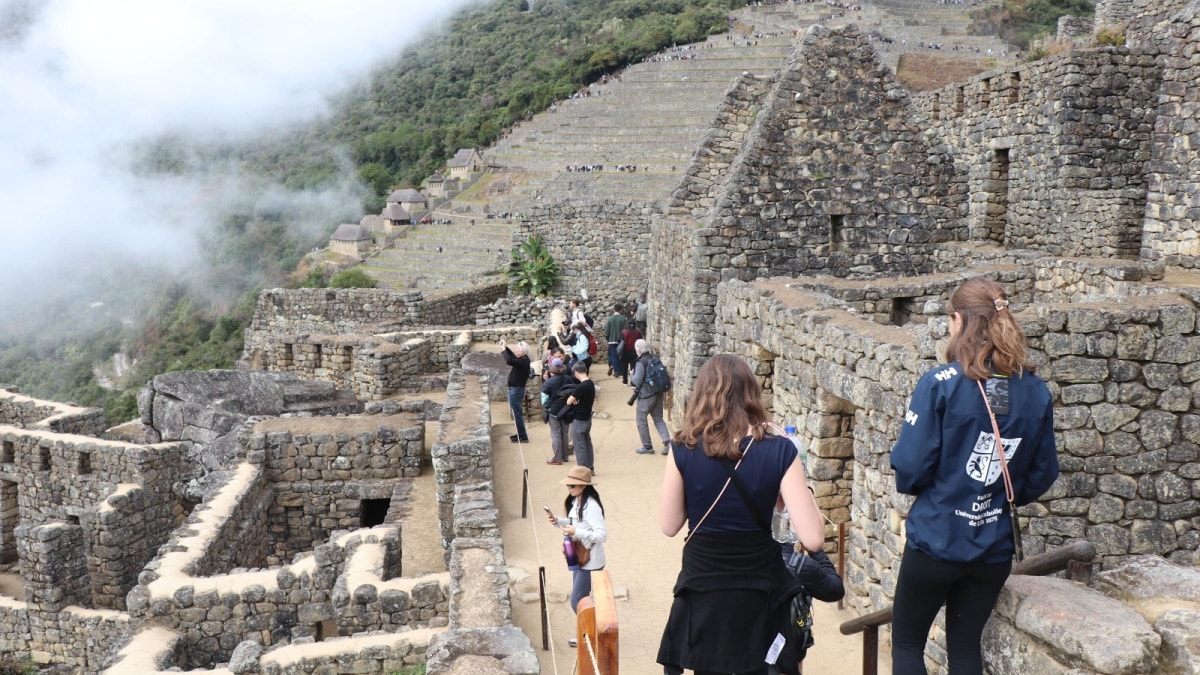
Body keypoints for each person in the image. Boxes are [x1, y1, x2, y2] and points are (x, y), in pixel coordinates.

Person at [890, 277, 1059, 675]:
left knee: (908, 643)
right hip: (992, 545)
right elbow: (1043, 472)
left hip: (937, 538)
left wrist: (931, 491)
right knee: (965, 650)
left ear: (960, 320)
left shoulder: (940, 384)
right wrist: (999, 494)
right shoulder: (1034, 390)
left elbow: (910, 465)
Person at [657, 354, 824, 675]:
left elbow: (669, 524)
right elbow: (813, 538)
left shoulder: (683, 447)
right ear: (751, 393)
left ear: (702, 393)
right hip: (759, 592)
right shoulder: (781, 450)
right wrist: (804, 490)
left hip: (704, 589)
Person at [545, 466, 607, 634]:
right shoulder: (576, 501)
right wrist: (558, 521)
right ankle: (589, 634)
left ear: (584, 486)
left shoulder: (591, 506)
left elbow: (602, 535)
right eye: (568, 485)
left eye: (572, 485)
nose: (569, 488)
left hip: (591, 561)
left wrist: (576, 532)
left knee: (577, 601)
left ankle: (591, 634)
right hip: (580, 557)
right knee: (582, 600)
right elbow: (574, 522)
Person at [630, 339, 672, 456]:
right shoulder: (654, 358)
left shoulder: (641, 362)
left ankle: (647, 446)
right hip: (658, 393)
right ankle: (668, 443)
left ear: (639, 350)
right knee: (658, 418)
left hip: (646, 396)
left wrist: (631, 375)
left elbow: (637, 381)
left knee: (641, 419)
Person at [565, 361, 596, 474]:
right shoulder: (590, 384)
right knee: (587, 443)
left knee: (579, 445)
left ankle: (582, 470)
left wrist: (574, 399)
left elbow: (569, 401)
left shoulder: (581, 387)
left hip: (579, 419)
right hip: (587, 417)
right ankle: (590, 468)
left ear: (577, 372)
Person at [541, 358, 572, 465]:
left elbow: (544, 399)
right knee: (564, 433)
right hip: (566, 409)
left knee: (556, 434)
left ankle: (557, 458)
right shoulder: (568, 379)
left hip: (553, 410)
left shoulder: (549, 382)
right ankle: (565, 456)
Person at [500, 339, 531, 443]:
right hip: (515, 390)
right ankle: (520, 434)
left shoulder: (523, 361)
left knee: (517, 414)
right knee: (517, 413)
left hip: (516, 390)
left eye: (518, 349)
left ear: (523, 351)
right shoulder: (523, 359)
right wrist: (506, 347)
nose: (516, 350)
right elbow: (512, 357)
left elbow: (509, 361)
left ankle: (523, 437)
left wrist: (503, 349)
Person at [604, 303, 626, 376]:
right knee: (621, 355)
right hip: (621, 340)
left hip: (612, 340)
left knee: (613, 355)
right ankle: (619, 370)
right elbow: (626, 330)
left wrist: (607, 339)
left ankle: (615, 368)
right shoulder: (623, 318)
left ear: (614, 309)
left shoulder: (610, 319)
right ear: (620, 310)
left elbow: (607, 331)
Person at [619, 319, 642, 386]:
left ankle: (625, 381)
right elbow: (640, 340)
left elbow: (620, 340)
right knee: (633, 367)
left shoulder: (624, 332)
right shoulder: (638, 332)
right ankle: (633, 383)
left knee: (625, 367)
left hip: (625, 351)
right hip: (635, 352)